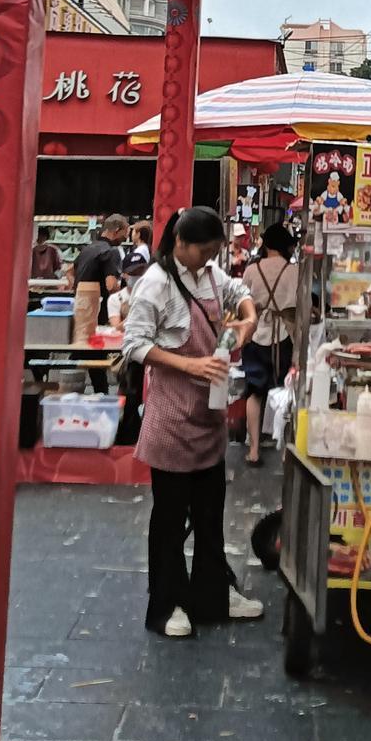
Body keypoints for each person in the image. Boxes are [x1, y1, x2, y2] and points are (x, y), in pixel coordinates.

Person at [122, 206, 263, 639]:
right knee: (169, 518)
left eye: (213, 251)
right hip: (171, 420)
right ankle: (168, 604)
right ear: (180, 243)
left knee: (209, 514)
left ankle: (212, 594)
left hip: (208, 419)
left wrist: (248, 314)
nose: (208, 258)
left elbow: (235, 288)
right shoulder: (156, 283)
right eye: (204, 250)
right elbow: (135, 346)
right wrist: (190, 366)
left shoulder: (208, 275)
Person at [240, 223, 298, 466]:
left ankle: (254, 449)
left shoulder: (252, 270)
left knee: (254, 392)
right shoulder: (294, 270)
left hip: (256, 334)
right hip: (284, 334)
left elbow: (241, 301)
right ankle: (286, 451)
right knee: (288, 392)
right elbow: (298, 304)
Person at [71, 213, 128, 340]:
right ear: (117, 231)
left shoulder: (87, 249)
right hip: (100, 313)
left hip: (80, 309)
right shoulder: (111, 252)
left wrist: (77, 289)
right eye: (124, 234)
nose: (125, 238)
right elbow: (111, 285)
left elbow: (69, 271)